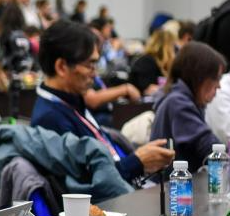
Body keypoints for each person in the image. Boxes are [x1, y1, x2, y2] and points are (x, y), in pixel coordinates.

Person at [30, 20, 174, 183]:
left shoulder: (70, 102)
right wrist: (137, 162)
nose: (95, 74)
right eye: (90, 65)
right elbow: (87, 186)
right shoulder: (51, 120)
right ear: (62, 67)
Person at [150, 42, 225, 171]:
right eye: (216, 78)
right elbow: (210, 148)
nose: (219, 86)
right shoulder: (178, 103)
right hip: (176, 187)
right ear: (200, 76)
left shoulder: (180, 99)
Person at [129, 29, 177, 95]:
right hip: (141, 103)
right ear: (168, 47)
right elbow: (149, 90)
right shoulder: (146, 62)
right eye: (173, 46)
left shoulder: (164, 64)